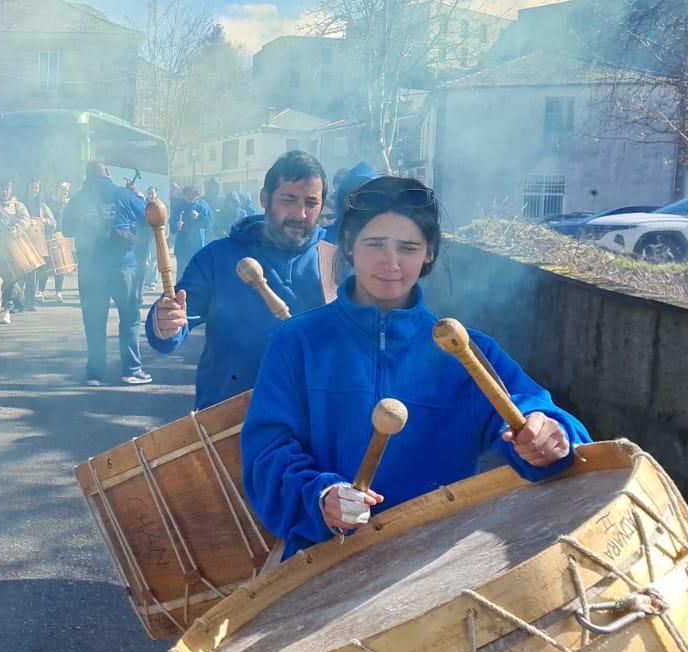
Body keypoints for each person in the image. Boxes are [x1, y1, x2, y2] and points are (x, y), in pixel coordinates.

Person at [241, 175, 591, 559]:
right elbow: (267, 453)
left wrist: (549, 435)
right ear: (348, 245)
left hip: (434, 569)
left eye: (407, 247)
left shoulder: (465, 352)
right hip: (321, 561)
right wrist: (320, 496)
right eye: (375, 244)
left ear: (428, 254)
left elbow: (536, 411)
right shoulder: (297, 343)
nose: (390, 263)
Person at [147, 151, 335, 409]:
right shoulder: (217, 258)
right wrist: (166, 322)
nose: (300, 214)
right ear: (264, 199)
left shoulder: (335, 262)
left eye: (311, 203)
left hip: (310, 420)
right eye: (289, 200)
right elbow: (176, 320)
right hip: (228, 423)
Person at [65, 160, 150, 386]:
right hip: (123, 266)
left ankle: (95, 374)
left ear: (87, 175)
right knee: (130, 318)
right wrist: (137, 196)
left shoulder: (79, 198)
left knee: (94, 321)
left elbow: (65, 229)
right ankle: (131, 370)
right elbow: (149, 219)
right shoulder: (123, 193)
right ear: (107, 173)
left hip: (91, 270)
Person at [0, 180, 29, 323]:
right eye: (2, 189)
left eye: (7, 189)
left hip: (11, 247)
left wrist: (17, 227)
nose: (4, 192)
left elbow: (26, 221)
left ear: (11, 189)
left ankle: (7, 310)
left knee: (10, 279)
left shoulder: (17, 205)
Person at [23, 179, 55, 307]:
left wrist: (44, 220)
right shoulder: (20, 204)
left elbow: (53, 222)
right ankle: (16, 300)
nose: (35, 190)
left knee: (33, 272)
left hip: (36, 242)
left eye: (37, 188)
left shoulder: (42, 206)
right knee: (20, 273)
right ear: (27, 189)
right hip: (23, 241)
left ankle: (29, 301)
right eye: (32, 187)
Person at [171, 185, 212, 281]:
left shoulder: (203, 205)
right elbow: (172, 222)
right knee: (181, 274)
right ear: (184, 195)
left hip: (197, 245)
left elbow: (209, 222)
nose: (190, 198)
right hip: (182, 245)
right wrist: (176, 225)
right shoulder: (179, 205)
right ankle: (180, 293)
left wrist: (199, 216)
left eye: (192, 195)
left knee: (197, 272)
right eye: (187, 195)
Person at [41, 181, 72, 303]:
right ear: (57, 189)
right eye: (62, 189)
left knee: (61, 265)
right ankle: (40, 291)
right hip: (48, 235)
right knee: (47, 264)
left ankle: (58, 292)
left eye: (66, 190)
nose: (64, 192)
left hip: (62, 235)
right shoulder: (49, 202)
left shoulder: (67, 203)